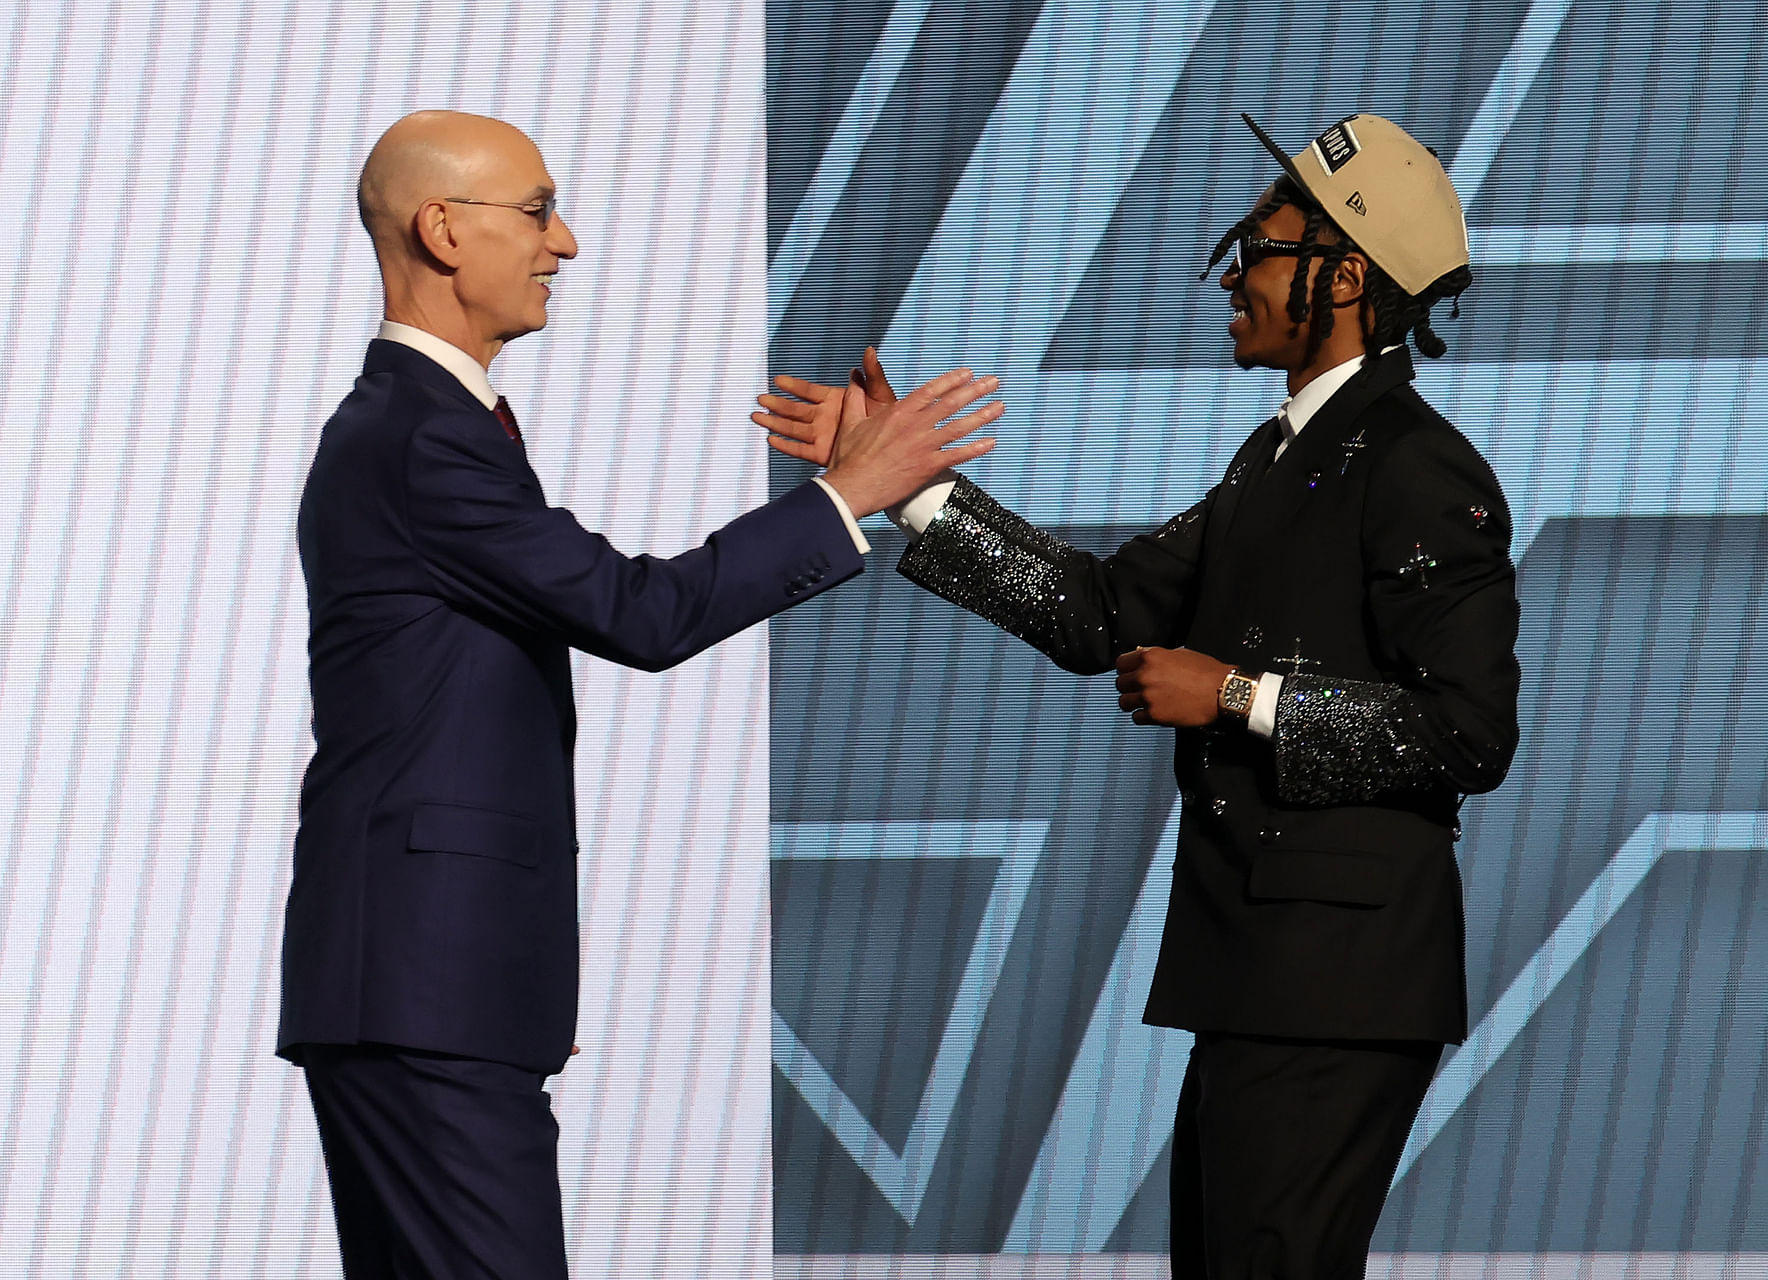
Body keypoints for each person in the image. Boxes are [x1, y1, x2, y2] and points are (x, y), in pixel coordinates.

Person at [760, 113, 1520, 1278]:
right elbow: (1099, 612)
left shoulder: (1417, 466)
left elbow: (1468, 730)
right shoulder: (1275, 459)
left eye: (1261, 245)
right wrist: (907, 486)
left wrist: (1244, 696)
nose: (1233, 272)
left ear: (1347, 276)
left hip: (1336, 983)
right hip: (1265, 968)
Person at [278, 109, 1003, 1279]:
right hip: (421, 995)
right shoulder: (421, 439)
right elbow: (640, 611)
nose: (563, 241)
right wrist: (845, 494)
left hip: (435, 991)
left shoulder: (421, 430)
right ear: (443, 229)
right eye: (536, 211)